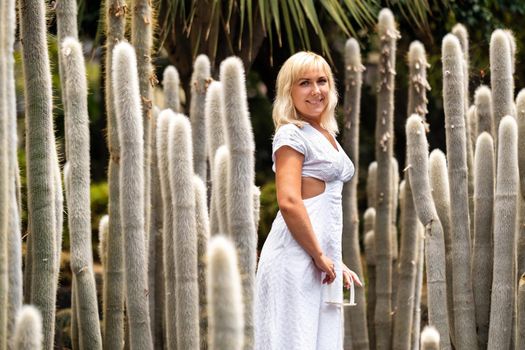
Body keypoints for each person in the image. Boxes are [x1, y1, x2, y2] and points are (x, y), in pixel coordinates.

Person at [254, 51, 362, 350]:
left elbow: (324, 206)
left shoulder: (325, 133)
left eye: (322, 81)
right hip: (294, 258)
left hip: (317, 258)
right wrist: (318, 254)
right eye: (305, 83)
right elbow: (289, 201)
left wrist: (334, 260)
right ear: (290, 90)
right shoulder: (292, 133)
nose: (316, 90)